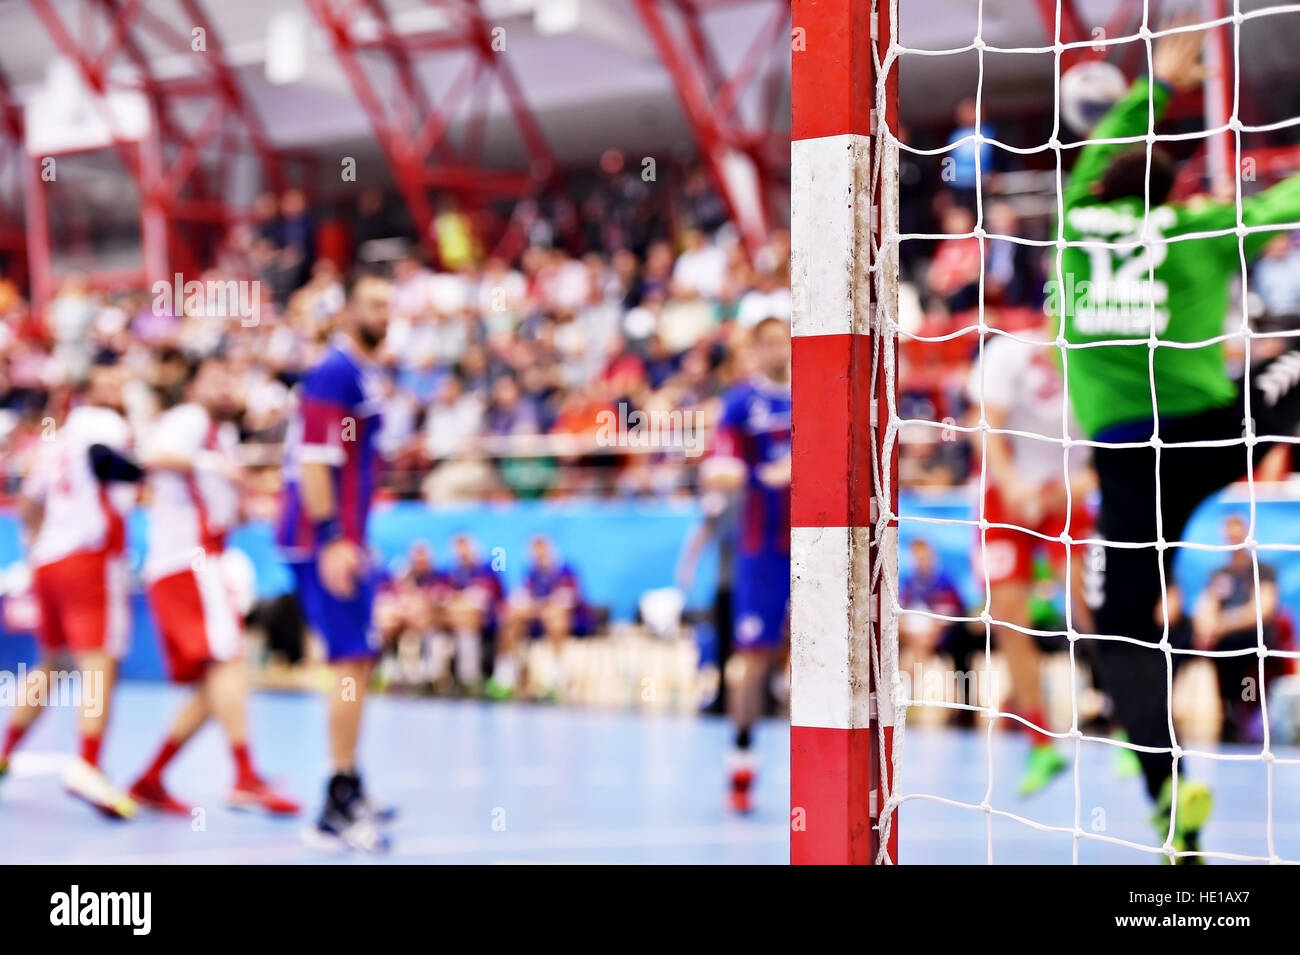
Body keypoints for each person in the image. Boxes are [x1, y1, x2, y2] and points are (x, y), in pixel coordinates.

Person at [1056, 22, 1300, 861]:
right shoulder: (1197, 233)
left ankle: (1170, 805)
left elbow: (1094, 163)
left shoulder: (1071, 229)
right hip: (1212, 430)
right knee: (1291, 363)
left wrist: (1150, 86)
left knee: (1120, 627)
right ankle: (1174, 809)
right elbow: (1280, 205)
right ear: (1167, 196)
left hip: (1128, 458)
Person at [128, 356, 299, 816]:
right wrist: (212, 465)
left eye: (232, 377)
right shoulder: (190, 421)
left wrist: (247, 503)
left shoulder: (222, 436)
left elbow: (220, 501)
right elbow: (150, 456)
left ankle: (150, 778)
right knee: (229, 664)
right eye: (216, 377)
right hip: (190, 560)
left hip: (202, 560)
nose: (227, 385)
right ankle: (244, 777)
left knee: (215, 684)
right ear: (194, 386)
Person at [279, 271, 395, 852]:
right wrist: (332, 538)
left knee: (360, 659)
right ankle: (334, 805)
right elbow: (315, 462)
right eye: (373, 303)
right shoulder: (333, 373)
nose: (385, 311)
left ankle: (349, 779)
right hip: (320, 538)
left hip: (343, 535)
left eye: (388, 303)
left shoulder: (357, 374)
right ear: (348, 311)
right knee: (350, 660)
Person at [0, 366, 141, 817]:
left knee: (52, 663)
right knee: (99, 661)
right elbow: (110, 464)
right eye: (113, 381)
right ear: (91, 391)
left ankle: (4, 751)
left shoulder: (54, 438)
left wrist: (37, 547)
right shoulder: (107, 424)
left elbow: (29, 501)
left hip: (48, 561)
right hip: (89, 557)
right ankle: (89, 764)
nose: (121, 387)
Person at [967, 316, 1094, 795]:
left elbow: (1117, 457)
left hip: (1069, 491)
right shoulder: (1009, 352)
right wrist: (1016, 485)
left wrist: (1060, 493)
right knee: (1007, 618)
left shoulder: (1102, 356)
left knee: (1086, 607)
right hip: (1007, 493)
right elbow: (985, 428)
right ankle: (1041, 742)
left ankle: (1128, 726)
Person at [700, 315, 791, 813]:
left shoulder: (813, 394)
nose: (779, 350)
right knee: (754, 657)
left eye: (785, 340)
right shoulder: (740, 404)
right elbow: (721, 468)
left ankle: (829, 769)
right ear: (756, 350)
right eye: (769, 343)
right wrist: (745, 473)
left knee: (824, 655)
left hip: (819, 547)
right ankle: (740, 762)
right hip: (762, 550)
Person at [1193, 515, 1279, 743]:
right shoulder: (1220, 574)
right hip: (1225, 643)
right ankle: (1229, 712)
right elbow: (1206, 606)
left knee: (1245, 676)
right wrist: (1206, 626)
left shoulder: (1263, 570)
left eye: (1236, 530)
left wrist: (1225, 623)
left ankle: (1245, 713)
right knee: (1210, 650)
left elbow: (1263, 609)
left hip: (1254, 641)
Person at [499, 535, 592, 698]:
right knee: (512, 619)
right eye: (535, 552)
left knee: (556, 618)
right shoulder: (531, 574)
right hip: (537, 621)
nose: (538, 555)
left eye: (541, 550)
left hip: (571, 622)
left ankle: (556, 675)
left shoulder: (565, 572)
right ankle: (506, 675)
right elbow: (521, 598)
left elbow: (565, 601)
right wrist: (532, 608)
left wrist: (539, 607)